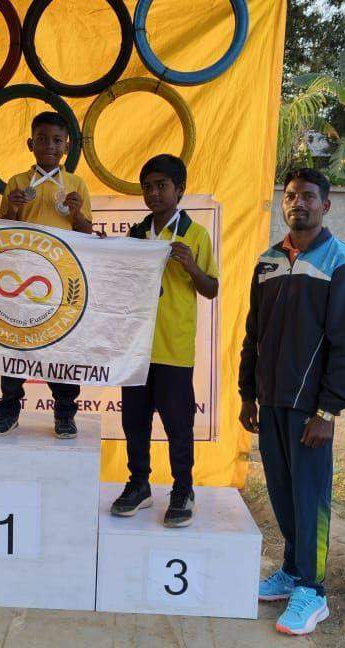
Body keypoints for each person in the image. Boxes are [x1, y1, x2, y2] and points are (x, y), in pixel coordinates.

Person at [238, 168, 345, 635]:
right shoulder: (268, 261)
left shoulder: (342, 262)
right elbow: (253, 334)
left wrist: (328, 411)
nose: (299, 203)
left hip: (310, 409)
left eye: (309, 196)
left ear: (325, 205)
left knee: (310, 498)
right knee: (282, 493)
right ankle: (293, 571)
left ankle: (313, 591)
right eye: (291, 196)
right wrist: (247, 394)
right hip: (270, 400)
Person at [110, 154, 218, 528]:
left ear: (180, 190)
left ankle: (183, 488)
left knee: (177, 424)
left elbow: (211, 289)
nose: (154, 193)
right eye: (148, 187)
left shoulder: (195, 235)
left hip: (173, 347)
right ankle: (139, 483)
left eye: (162, 186)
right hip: (137, 349)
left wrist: (190, 266)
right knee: (134, 421)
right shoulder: (136, 234)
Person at [0, 111, 95, 439]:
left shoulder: (76, 184)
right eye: (43, 139)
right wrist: (14, 208)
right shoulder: (17, 183)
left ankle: (65, 414)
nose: (50, 145)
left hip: (61, 279)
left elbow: (87, 232)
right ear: (30, 144)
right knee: (15, 347)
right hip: (22, 279)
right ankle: (8, 411)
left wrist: (76, 213)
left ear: (67, 147)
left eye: (57, 140)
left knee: (61, 348)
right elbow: (3, 231)